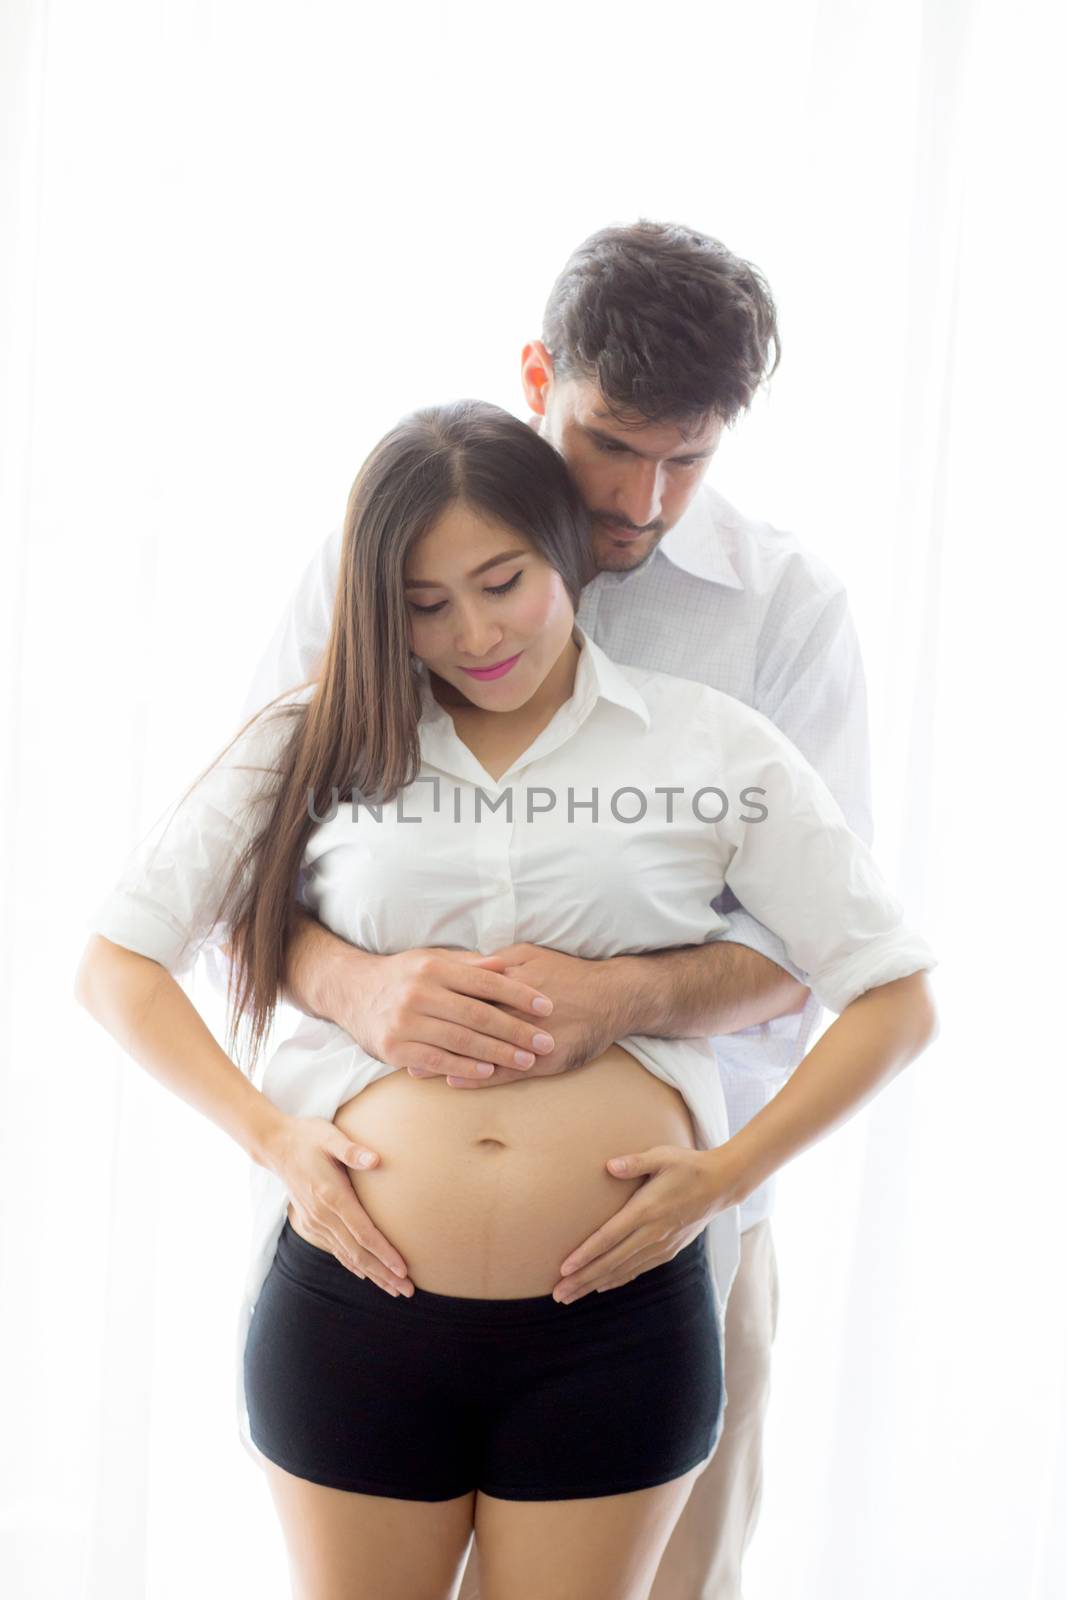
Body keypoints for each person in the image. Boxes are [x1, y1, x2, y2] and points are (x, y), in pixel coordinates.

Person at [76, 396, 937, 1600]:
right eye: (424, 605)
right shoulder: (310, 739)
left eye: (503, 581)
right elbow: (119, 962)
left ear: (564, 553)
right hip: (357, 1301)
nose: (473, 632)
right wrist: (271, 1136)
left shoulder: (706, 745)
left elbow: (890, 993)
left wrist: (728, 1172)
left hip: (618, 1317)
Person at [238, 220, 887, 1599]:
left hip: (676, 1237)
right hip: (372, 1258)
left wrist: (635, 998)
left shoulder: (781, 611)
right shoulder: (375, 560)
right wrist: (357, 987)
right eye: (613, 444)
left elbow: (821, 950)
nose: (646, 503)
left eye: (689, 457)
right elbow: (247, 885)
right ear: (539, 372)